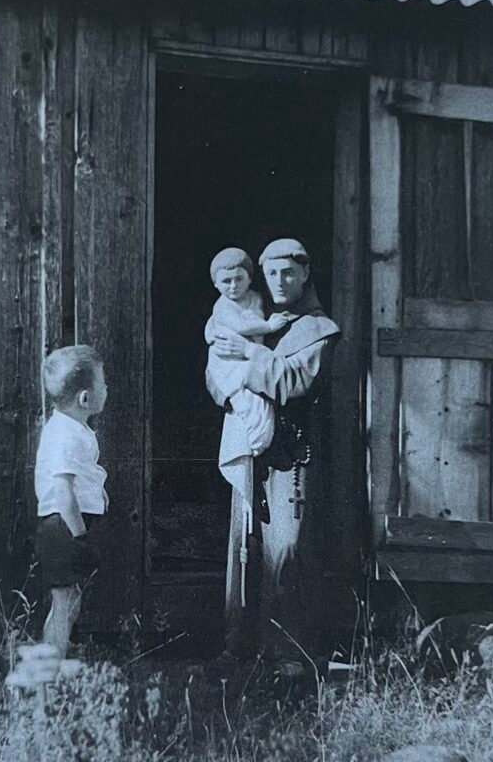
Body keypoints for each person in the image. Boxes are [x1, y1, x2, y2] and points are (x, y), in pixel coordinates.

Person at [208, 238, 340, 670]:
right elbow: (214, 372)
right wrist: (228, 390)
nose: (280, 281)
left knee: (287, 550)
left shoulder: (319, 330)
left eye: (289, 272)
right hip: (252, 447)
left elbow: (291, 383)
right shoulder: (255, 317)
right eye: (272, 273)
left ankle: (288, 653)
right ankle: (238, 646)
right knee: (244, 546)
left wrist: (248, 355)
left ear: (305, 274)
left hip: (293, 454)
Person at [204, 247, 291, 605]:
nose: (232, 285)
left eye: (239, 278)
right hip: (238, 389)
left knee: (279, 539)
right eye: (225, 280)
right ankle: (238, 624)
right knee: (244, 524)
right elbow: (218, 364)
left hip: (284, 437)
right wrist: (230, 394)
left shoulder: (266, 303)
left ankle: (268, 626)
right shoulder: (226, 310)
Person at [34, 344, 109, 657]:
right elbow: (63, 492)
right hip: (63, 528)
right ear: (85, 398)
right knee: (64, 603)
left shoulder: (71, 428)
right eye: (103, 384)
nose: (107, 388)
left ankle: (59, 653)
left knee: (70, 600)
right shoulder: (65, 435)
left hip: (65, 527)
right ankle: (51, 661)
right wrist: (80, 536)